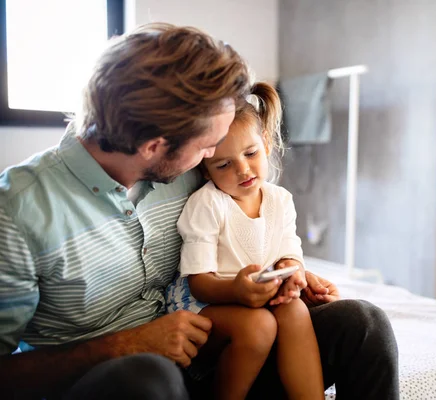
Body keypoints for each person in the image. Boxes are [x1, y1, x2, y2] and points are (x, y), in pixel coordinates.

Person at [0, 23, 399, 400]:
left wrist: (283, 273)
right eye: (208, 146)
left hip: (222, 357)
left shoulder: (187, 172)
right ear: (154, 146)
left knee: (363, 325)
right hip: (121, 381)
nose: (213, 157)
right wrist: (124, 345)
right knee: (147, 380)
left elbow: (232, 235)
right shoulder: (17, 211)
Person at [166, 81, 323, 399]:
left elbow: (288, 250)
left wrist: (293, 271)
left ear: (265, 143)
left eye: (250, 153)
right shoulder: (207, 204)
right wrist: (236, 290)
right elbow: (199, 283)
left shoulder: (280, 199)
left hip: (254, 297)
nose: (242, 169)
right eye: (223, 164)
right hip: (205, 302)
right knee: (259, 326)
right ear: (207, 170)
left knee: (295, 311)